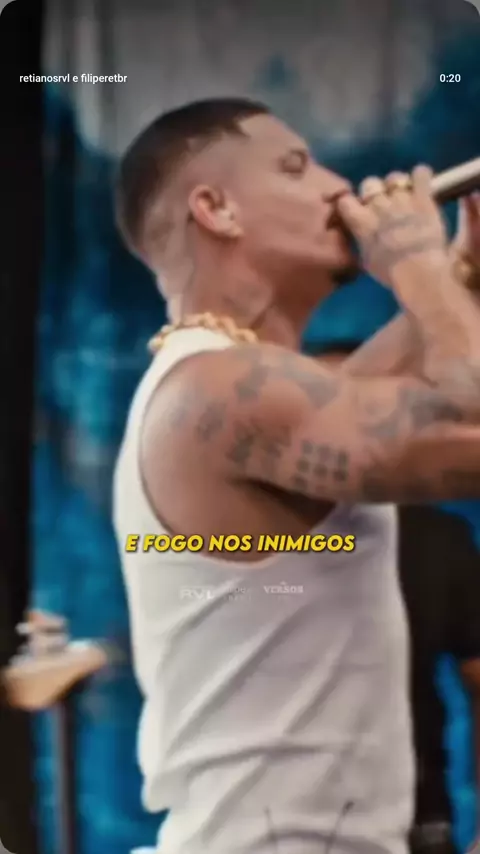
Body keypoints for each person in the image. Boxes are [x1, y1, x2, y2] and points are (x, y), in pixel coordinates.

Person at [112, 97, 480, 854]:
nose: (338, 186)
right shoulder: (216, 391)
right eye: (295, 166)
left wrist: (461, 276)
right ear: (215, 209)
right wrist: (419, 268)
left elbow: (387, 393)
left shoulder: (241, 384)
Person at [303, 323, 480, 854]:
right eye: (321, 411)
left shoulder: (437, 539)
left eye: (357, 413)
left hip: (412, 821)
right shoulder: (253, 541)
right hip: (283, 823)